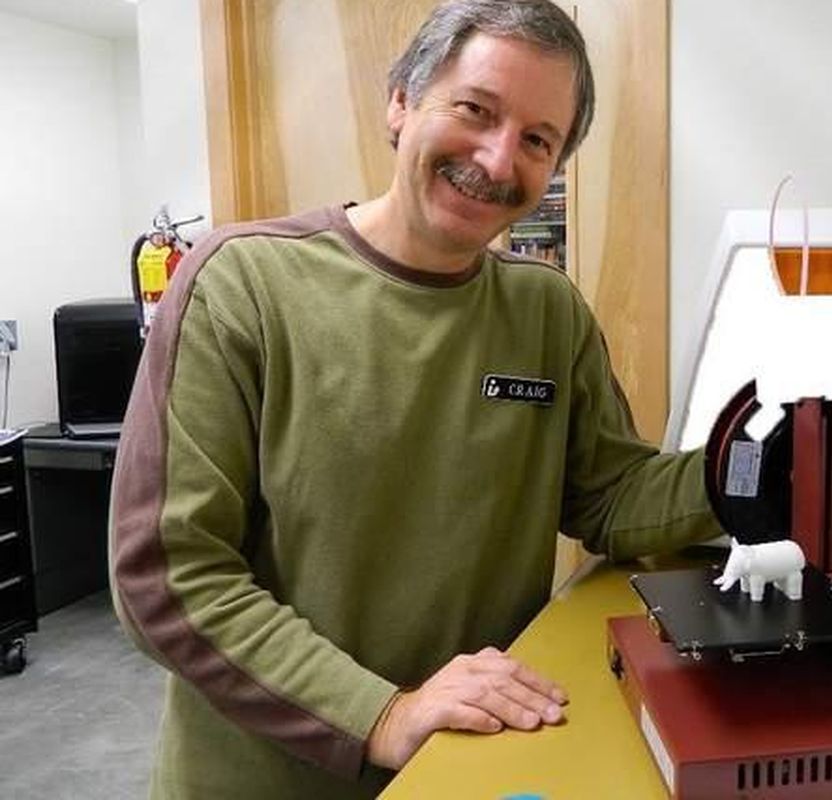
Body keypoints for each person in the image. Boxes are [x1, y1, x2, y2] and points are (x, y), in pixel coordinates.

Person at [110, 0, 719, 796]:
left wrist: (759, 467)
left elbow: (608, 496)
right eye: (475, 110)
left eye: (538, 140)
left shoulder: (546, 309)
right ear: (401, 101)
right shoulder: (242, 284)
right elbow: (167, 574)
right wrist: (382, 714)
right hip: (269, 777)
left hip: (467, 764)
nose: (499, 162)